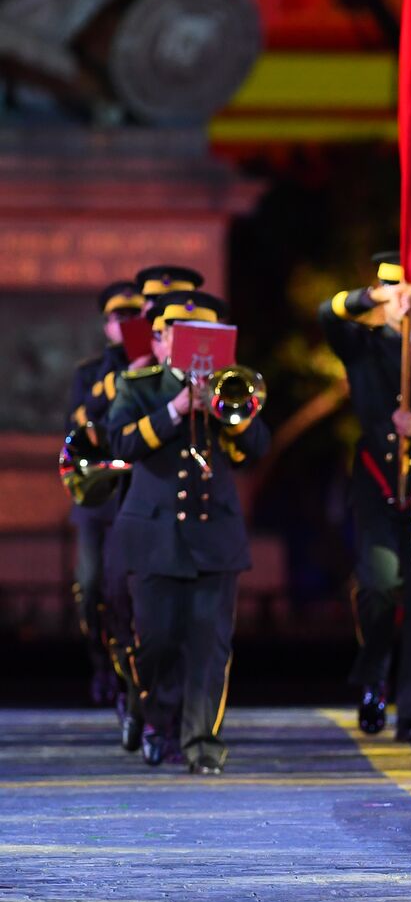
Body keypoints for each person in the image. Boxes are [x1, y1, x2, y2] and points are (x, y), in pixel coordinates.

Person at [107, 289, 270, 774]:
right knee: (155, 641)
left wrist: (226, 414)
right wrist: (176, 408)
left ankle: (201, 742)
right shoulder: (139, 386)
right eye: (175, 332)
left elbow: (255, 450)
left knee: (209, 645)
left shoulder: (231, 385)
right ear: (161, 340)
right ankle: (153, 717)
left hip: (214, 538)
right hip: (155, 538)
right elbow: (121, 442)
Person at [319, 251, 411, 743]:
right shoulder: (363, 344)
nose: (403, 302)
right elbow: (327, 313)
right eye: (392, 292)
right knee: (379, 586)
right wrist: (371, 299)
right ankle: (372, 677)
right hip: (378, 482)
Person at [67, 281, 145, 709]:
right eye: (119, 317)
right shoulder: (89, 372)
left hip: (135, 495)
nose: (126, 323)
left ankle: (126, 670)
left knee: (122, 588)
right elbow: (79, 424)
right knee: (91, 584)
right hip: (99, 495)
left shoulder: (151, 366)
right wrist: (113, 386)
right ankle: (101, 663)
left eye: (135, 315)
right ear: (107, 325)